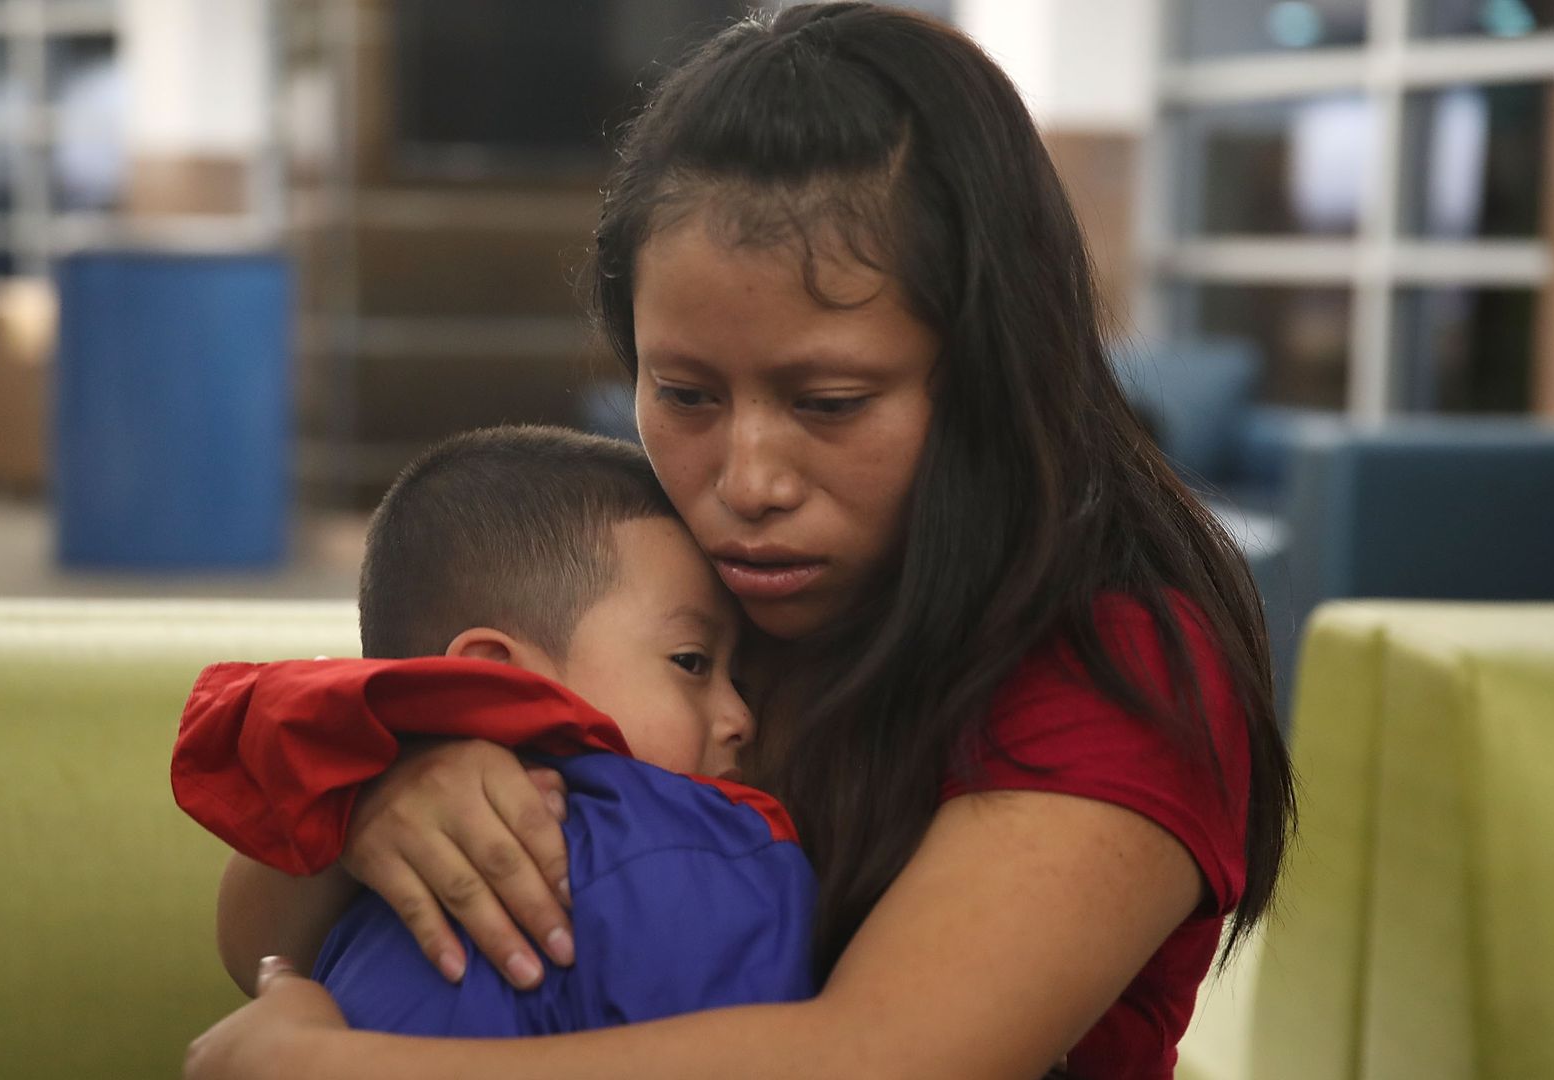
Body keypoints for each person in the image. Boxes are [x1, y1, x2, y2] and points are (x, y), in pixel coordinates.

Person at [190, 5, 1297, 1078]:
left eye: (829, 403)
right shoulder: (678, 581)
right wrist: (386, 801)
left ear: (988, 377)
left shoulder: (1119, 667)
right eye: (684, 394)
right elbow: (258, 944)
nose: (747, 484)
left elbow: (888, 1058)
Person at [171, 425, 816, 1035]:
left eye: (742, 682)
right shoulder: (695, 857)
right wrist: (359, 803)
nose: (741, 718)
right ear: (492, 675)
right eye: (691, 663)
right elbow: (256, 947)